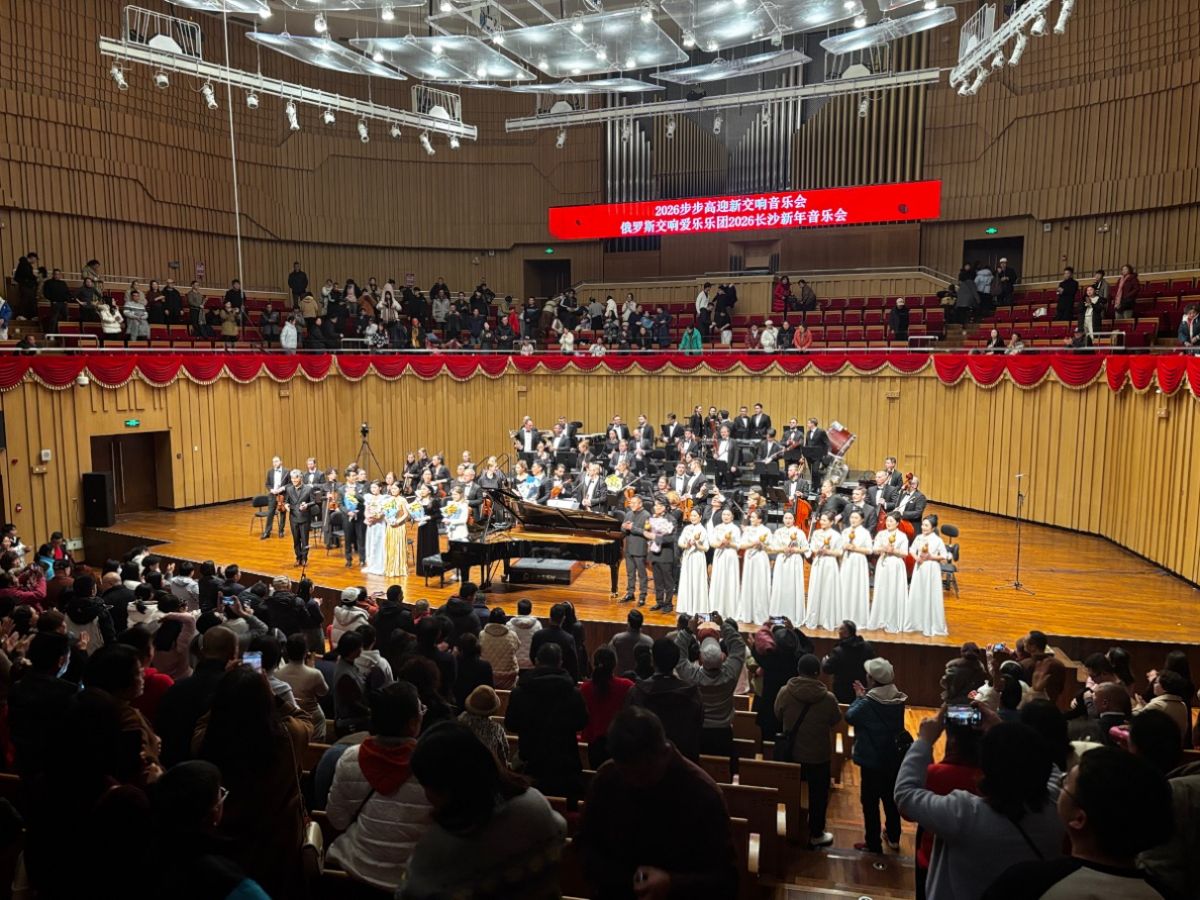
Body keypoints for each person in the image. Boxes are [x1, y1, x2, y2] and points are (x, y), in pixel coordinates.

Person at [895, 716, 1065, 900]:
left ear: (986, 767)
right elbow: (1045, 765)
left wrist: (924, 740)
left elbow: (905, 794)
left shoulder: (965, 815)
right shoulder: (1055, 808)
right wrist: (1006, 733)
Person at [578, 707, 739, 900]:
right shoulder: (607, 778)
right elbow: (584, 846)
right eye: (626, 774)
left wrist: (672, 883)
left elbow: (727, 881)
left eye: (644, 775)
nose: (634, 783)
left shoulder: (702, 793)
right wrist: (623, 879)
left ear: (665, 753)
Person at [982, 746, 1174, 899]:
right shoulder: (1165, 893)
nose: (1060, 786)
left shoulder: (1026, 884)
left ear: (1079, 819)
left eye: (1065, 783)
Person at [401, 722, 565, 899]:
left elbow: (410, 893)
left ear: (446, 788)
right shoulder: (534, 803)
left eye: (426, 786)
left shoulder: (441, 847)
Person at [194, 666, 310, 900]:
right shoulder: (288, 737)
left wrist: (229, 692)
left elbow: (205, 722)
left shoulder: (205, 740)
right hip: (277, 843)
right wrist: (271, 695)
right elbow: (305, 719)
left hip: (225, 839)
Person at [325, 681, 431, 892]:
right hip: (411, 880)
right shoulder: (432, 766)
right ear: (412, 723)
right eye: (421, 710)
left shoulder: (349, 759)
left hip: (357, 872)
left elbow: (337, 819)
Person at [505, 642, 589, 802]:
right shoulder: (573, 693)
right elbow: (582, 723)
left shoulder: (519, 693)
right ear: (560, 662)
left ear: (536, 661)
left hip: (531, 762)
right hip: (565, 764)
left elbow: (511, 725)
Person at [773, 652, 842, 847]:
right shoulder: (828, 698)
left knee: (789, 791)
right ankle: (816, 832)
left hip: (791, 753)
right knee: (818, 796)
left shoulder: (785, 692)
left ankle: (788, 828)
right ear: (818, 673)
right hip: (818, 755)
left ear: (798, 670)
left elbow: (778, 714)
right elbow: (836, 720)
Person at [844, 657, 908, 855]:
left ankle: (873, 843)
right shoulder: (897, 698)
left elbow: (850, 716)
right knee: (890, 799)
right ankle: (894, 837)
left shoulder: (867, 703)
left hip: (872, 760)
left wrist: (859, 697)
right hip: (893, 757)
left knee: (870, 803)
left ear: (872, 679)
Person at [674, 614, 745, 758]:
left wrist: (688, 631)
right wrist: (723, 626)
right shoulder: (730, 675)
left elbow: (678, 655)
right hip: (723, 733)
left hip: (699, 731)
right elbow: (739, 646)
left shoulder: (693, 677)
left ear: (701, 658)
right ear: (722, 657)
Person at [580, 646, 634, 769]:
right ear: (614, 664)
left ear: (594, 664)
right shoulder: (627, 685)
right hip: (619, 741)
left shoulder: (585, 688)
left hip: (594, 743)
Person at [277, 634, 329, 741]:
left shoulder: (277, 674)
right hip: (313, 720)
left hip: (289, 721)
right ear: (306, 652)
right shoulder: (315, 674)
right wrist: (312, 668)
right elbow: (323, 692)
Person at [904, 518, 949, 636]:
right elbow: (911, 549)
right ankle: (916, 622)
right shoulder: (919, 537)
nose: (923, 527)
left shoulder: (937, 540)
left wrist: (931, 557)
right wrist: (916, 558)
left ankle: (930, 624)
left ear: (933, 528)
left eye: (926, 525)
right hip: (919, 568)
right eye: (923, 525)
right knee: (918, 593)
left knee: (930, 593)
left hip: (931, 568)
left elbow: (944, 556)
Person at [802, 513, 842, 631]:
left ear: (831, 522)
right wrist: (816, 550)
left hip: (830, 564)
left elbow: (840, 552)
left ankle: (827, 619)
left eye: (825, 520)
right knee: (816, 588)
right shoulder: (816, 533)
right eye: (822, 520)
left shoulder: (836, 535)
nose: (822, 522)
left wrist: (828, 552)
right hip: (818, 563)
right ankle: (814, 618)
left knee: (828, 590)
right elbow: (812, 548)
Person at [819, 620, 875, 704]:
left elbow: (827, 669)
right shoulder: (867, 647)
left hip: (843, 691)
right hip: (861, 688)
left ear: (846, 633)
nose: (838, 631)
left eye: (840, 629)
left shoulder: (838, 651)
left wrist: (824, 662)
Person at [736, 509, 772, 623]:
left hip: (760, 559)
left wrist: (762, 545)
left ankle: (759, 613)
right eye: (751, 517)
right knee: (749, 583)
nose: (750, 519)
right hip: (749, 559)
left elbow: (771, 548)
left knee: (759, 584)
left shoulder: (766, 531)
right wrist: (752, 544)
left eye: (753, 517)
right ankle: (747, 613)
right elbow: (741, 545)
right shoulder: (748, 530)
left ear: (760, 520)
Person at [838, 510, 873, 625]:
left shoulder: (865, 533)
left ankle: (856, 616)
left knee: (856, 586)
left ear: (862, 520)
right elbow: (840, 547)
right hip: (846, 561)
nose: (853, 520)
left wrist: (855, 548)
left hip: (858, 561)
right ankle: (843, 615)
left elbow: (869, 550)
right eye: (852, 517)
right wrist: (843, 547)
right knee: (845, 586)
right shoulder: (845, 531)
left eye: (856, 518)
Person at [707, 507, 741, 617]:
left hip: (730, 556)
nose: (725, 516)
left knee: (729, 580)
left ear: (732, 517)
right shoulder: (717, 528)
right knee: (718, 579)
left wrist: (729, 543)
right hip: (719, 555)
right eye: (724, 514)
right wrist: (719, 544)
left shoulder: (735, 529)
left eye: (728, 515)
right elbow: (712, 542)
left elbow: (738, 545)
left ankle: (730, 609)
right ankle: (716, 608)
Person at [676, 507, 710, 616]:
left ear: (700, 517)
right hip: (687, 557)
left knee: (696, 581)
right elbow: (680, 542)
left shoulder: (703, 530)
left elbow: (706, 548)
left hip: (697, 558)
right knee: (687, 580)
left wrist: (697, 544)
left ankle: (696, 607)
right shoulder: (687, 528)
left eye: (695, 515)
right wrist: (686, 545)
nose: (693, 517)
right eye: (691, 515)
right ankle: (686, 606)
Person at [609, 607, 653, 675]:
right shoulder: (649, 641)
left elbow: (610, 657)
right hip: (641, 676)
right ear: (641, 624)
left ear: (628, 623)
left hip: (621, 675)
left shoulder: (617, 638)